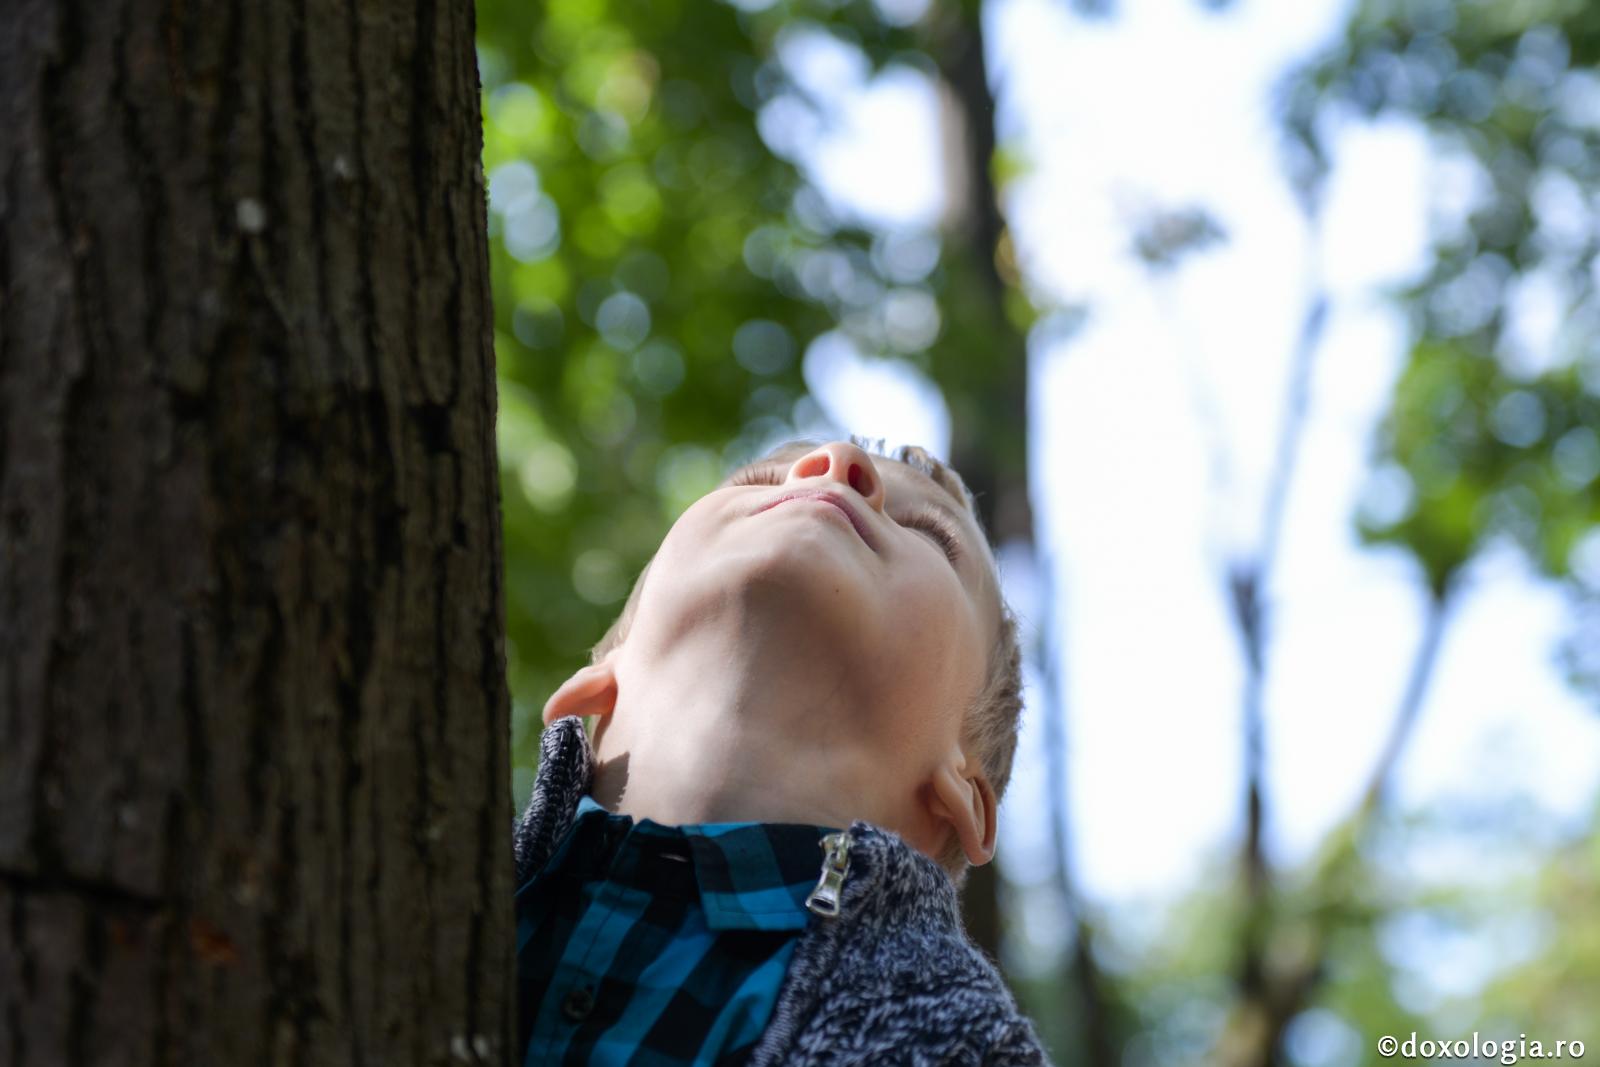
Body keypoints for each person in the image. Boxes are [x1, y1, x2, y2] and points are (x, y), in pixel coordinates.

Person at [513, 435, 1050, 1065]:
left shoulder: (964, 1039)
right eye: (761, 482)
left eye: (930, 533)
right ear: (592, 689)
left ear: (964, 789)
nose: (835, 464)